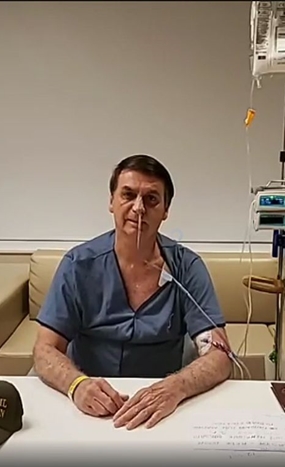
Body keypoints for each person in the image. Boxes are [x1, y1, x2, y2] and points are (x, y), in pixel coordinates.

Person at [32, 154, 232, 430]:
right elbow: (45, 348)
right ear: (111, 202)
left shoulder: (187, 268)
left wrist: (177, 387)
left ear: (165, 211)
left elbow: (220, 356)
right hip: (87, 403)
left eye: (151, 199)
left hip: (163, 406)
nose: (139, 208)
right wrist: (76, 385)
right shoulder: (78, 265)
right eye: (128, 195)